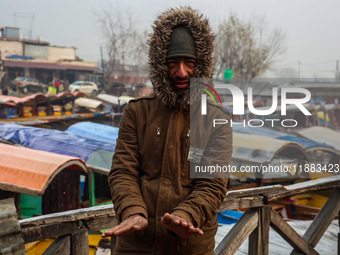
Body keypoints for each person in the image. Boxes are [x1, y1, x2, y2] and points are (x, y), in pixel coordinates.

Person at [102, 7, 232, 254]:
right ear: (161, 66)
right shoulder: (137, 113)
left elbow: (213, 184)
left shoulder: (216, 119)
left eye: (189, 63)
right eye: (173, 63)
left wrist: (185, 216)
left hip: (191, 245)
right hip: (135, 244)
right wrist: (133, 212)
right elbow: (123, 172)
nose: (181, 72)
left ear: (201, 65)